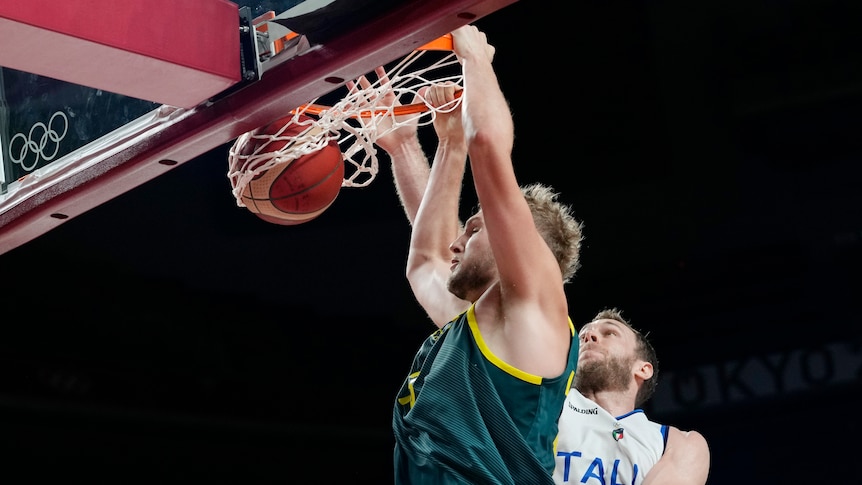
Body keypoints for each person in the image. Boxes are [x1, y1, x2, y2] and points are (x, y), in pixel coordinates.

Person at [372, 25, 585, 484]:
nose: (456, 242)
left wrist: (474, 56)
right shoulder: (476, 328)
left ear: (523, 240)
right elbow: (425, 261)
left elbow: (488, 144)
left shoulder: (534, 312)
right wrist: (426, 145)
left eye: (472, 228)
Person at [555, 308, 710, 484]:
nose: (588, 336)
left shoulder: (674, 442)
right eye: (581, 336)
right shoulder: (548, 406)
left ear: (643, 369)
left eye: (610, 333)